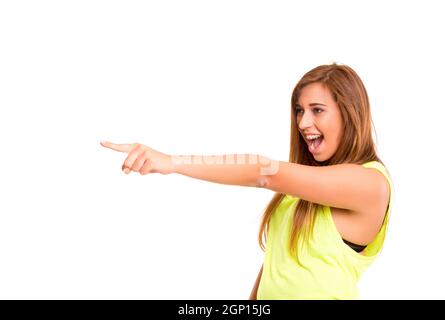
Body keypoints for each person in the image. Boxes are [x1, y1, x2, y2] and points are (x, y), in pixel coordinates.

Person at [100, 62, 393, 300]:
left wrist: (172, 163)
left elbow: (262, 171)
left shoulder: (371, 184)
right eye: (299, 111)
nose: (303, 123)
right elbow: (276, 266)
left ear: (349, 114)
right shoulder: (301, 191)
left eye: (317, 110)